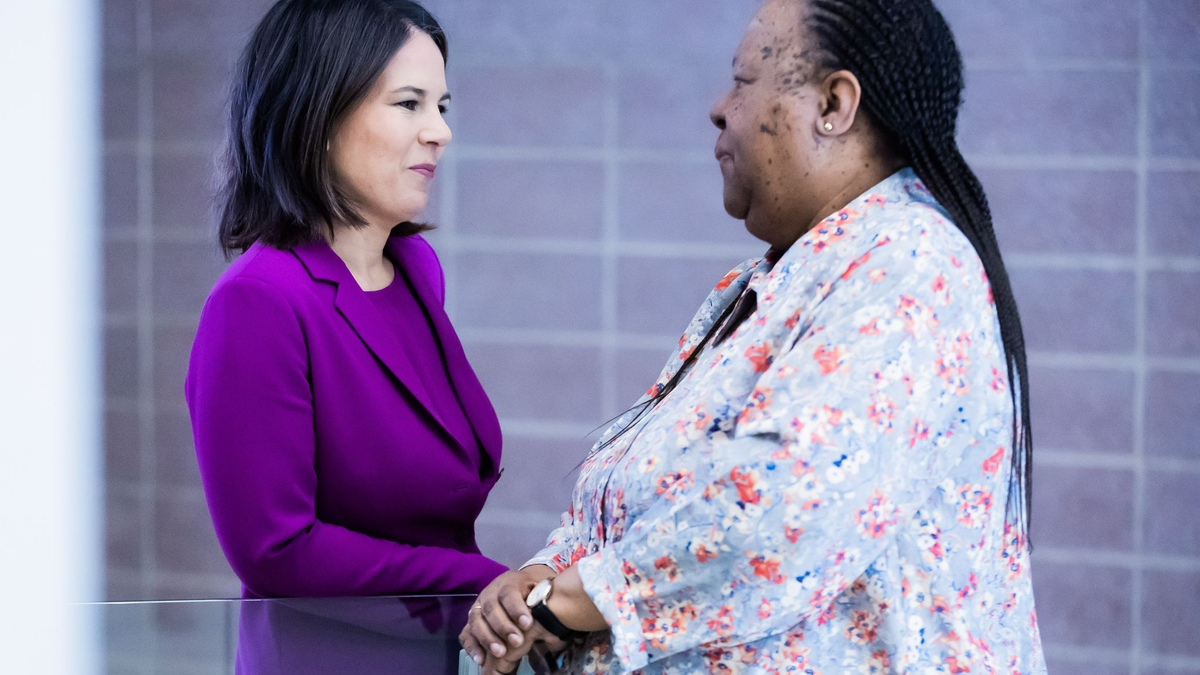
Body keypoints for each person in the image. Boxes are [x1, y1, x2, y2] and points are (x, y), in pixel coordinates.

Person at [460, 0, 1045, 672]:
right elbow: (641, 496)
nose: (718, 107)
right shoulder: (770, 283)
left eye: (742, 81)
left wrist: (563, 604)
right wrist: (540, 574)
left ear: (834, 103)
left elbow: (783, 505)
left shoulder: (909, 264)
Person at [185, 0, 508, 599]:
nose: (440, 131)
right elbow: (276, 553)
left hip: (433, 650)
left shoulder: (415, 270)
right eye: (409, 103)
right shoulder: (258, 304)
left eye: (440, 107)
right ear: (319, 115)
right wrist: (489, 584)